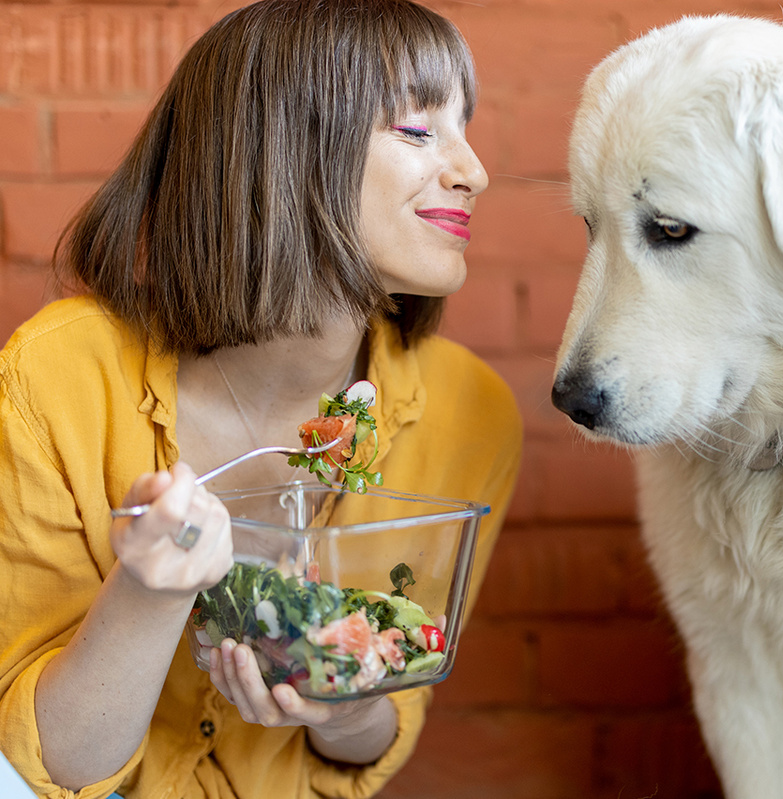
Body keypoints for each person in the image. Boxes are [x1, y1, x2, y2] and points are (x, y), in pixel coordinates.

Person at [0, 1, 522, 797]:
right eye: (419, 131)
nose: (474, 172)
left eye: (465, 128)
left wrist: (345, 705)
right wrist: (148, 591)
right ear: (284, 153)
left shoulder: (472, 412)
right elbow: (45, 769)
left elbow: (375, 737)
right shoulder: (53, 377)